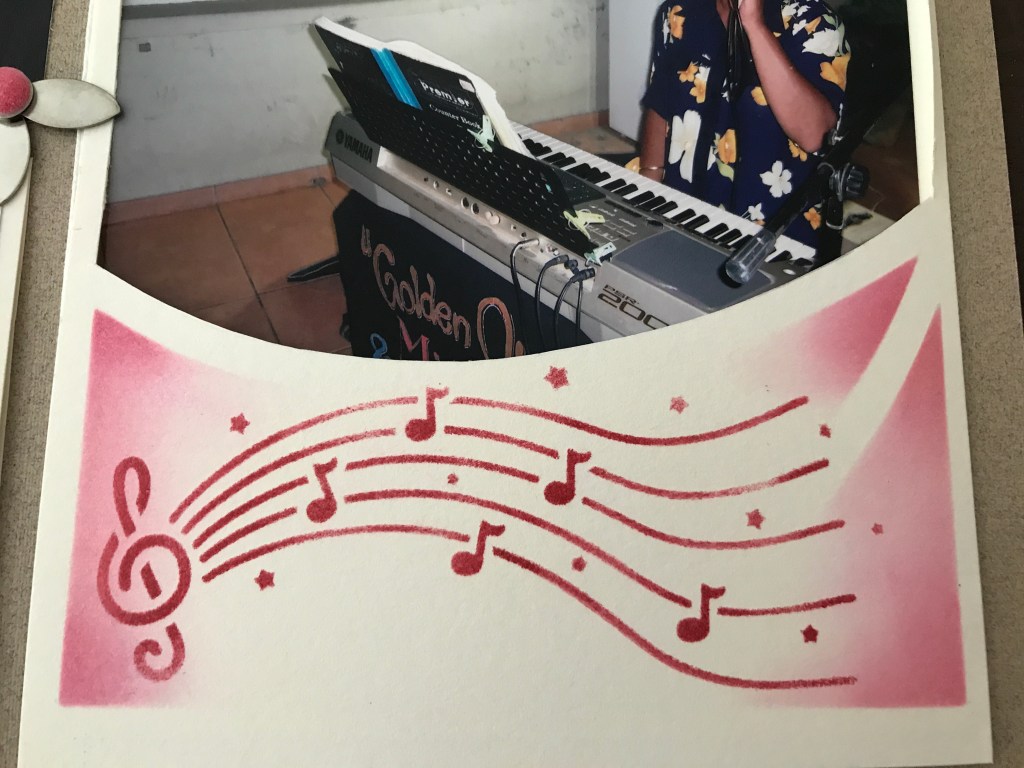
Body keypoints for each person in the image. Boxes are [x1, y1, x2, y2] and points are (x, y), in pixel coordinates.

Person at [637, 0, 851, 251]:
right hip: (685, 215)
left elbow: (816, 135)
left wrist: (754, 25)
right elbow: (660, 106)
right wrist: (646, 200)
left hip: (772, 239)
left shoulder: (813, 23)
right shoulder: (679, 11)